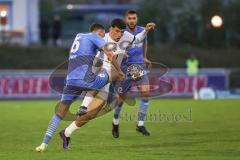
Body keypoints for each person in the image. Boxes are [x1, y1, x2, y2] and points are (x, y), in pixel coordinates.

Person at [59, 18, 156, 150]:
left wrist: (145, 30)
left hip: (110, 76)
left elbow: (138, 39)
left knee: (93, 113)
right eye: (117, 31)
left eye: (122, 32)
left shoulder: (126, 36)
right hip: (99, 72)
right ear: (110, 29)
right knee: (99, 75)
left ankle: (66, 133)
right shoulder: (101, 38)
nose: (119, 35)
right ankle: (83, 105)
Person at [35, 23, 124, 152]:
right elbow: (109, 55)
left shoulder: (79, 36)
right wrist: (120, 71)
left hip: (71, 81)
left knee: (59, 114)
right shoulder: (95, 36)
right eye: (102, 35)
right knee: (116, 73)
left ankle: (43, 144)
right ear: (98, 32)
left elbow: (95, 56)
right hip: (87, 82)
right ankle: (86, 105)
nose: (102, 38)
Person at [112, 10, 152, 138]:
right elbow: (113, 47)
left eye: (134, 18)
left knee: (146, 92)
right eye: (129, 18)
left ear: (137, 19)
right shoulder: (121, 33)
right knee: (121, 99)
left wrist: (145, 57)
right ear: (126, 19)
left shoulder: (142, 30)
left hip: (138, 66)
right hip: (124, 68)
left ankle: (140, 125)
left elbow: (144, 42)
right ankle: (115, 121)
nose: (132, 20)